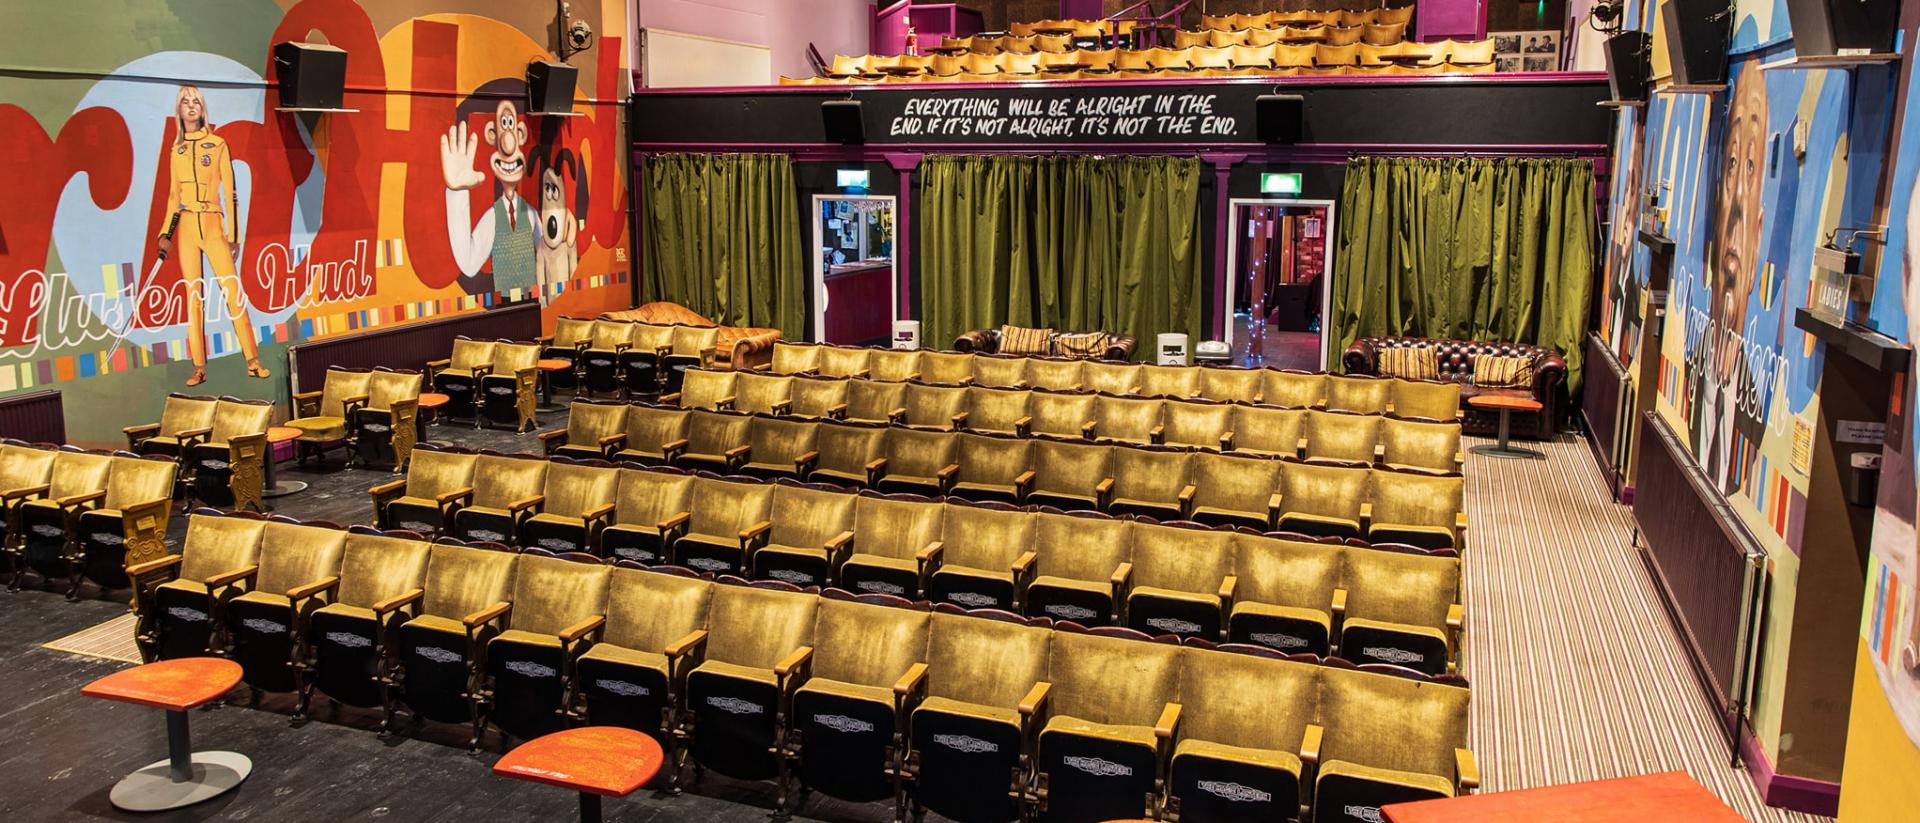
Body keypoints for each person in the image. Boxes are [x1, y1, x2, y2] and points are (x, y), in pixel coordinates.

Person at [157, 85, 268, 386]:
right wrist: (165, 232)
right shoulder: (177, 151)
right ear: (179, 110)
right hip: (187, 225)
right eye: (185, 102)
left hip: (213, 222)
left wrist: (234, 235)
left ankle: (253, 359)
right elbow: (173, 196)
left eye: (196, 101)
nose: (191, 106)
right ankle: (199, 366)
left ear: (203, 108)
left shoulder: (217, 145)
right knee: (194, 296)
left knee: (232, 290)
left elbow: (230, 191)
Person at [1691, 63, 1768, 496]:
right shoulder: (1690, 368)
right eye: (1733, 162)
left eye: (1751, 167)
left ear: (1758, 233)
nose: (1738, 200)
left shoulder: (1757, 421)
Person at [443, 96, 539, 296]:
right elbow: (469, 264)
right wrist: (458, 192)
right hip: (505, 304)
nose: (508, 145)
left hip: (532, 300)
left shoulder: (530, 214)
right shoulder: (494, 217)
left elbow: (546, 250)